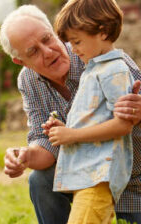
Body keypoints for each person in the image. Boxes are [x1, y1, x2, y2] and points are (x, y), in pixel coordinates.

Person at [0, 4, 141, 224]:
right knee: (40, 179)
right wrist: (26, 156)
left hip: (133, 178)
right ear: (20, 62)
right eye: (33, 52)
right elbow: (44, 142)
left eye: (47, 39)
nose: (47, 52)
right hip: (86, 176)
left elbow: (130, 111)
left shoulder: (97, 53)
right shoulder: (28, 80)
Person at [41, 0, 134, 223]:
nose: (73, 49)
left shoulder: (115, 70)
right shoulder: (93, 69)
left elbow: (123, 124)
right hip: (87, 176)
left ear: (102, 32)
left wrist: (72, 136)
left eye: (77, 41)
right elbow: (96, 119)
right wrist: (65, 130)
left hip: (99, 177)